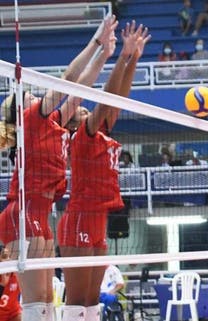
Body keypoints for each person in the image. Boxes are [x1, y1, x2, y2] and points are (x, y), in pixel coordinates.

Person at [0, 15, 118, 321]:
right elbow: (66, 79)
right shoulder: (31, 120)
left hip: (41, 212)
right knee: (36, 303)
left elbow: (81, 89)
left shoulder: (51, 123)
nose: (35, 93)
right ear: (20, 110)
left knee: (47, 301)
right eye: (27, 93)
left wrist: (104, 53)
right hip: (22, 213)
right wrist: (95, 40)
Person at [57, 21, 150, 321]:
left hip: (99, 218)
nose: (85, 109)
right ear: (72, 122)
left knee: (92, 302)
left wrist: (133, 59)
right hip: (80, 216)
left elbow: (117, 98)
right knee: (77, 301)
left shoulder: (101, 134)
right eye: (81, 110)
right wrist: (121, 57)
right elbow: (107, 97)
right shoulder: (80, 136)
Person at [0, 247, 21, 321]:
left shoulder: (16, 274)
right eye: (5, 257)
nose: (9, 259)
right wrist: (2, 284)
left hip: (13, 313)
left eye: (10, 256)